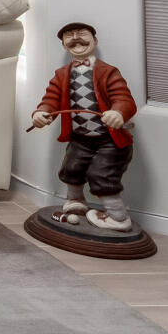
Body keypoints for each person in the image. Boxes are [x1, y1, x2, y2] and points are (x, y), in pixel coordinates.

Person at [31, 22, 137, 232]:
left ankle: (118, 217)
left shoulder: (108, 72)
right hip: (80, 137)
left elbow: (123, 98)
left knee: (102, 174)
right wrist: (41, 112)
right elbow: (51, 98)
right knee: (72, 166)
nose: (76, 39)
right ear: (64, 45)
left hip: (109, 138)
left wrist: (118, 112)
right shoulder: (62, 74)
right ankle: (75, 202)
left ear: (94, 42)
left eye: (81, 34)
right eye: (69, 36)